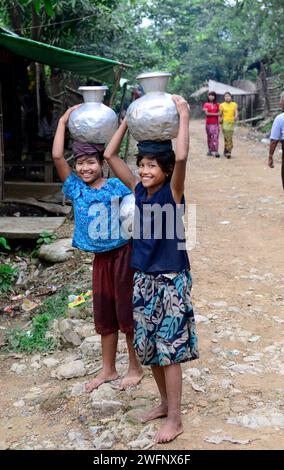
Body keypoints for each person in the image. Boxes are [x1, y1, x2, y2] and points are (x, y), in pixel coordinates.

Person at [103, 95, 199, 444]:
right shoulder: (138, 191)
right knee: (150, 349)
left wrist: (185, 116)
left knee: (170, 350)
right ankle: (162, 405)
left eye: (152, 166)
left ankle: (175, 418)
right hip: (142, 275)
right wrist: (127, 120)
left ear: (167, 170)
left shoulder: (172, 194)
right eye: (141, 164)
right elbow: (109, 156)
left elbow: (183, 156)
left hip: (170, 278)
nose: (144, 171)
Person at [52, 106, 144, 391]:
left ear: (101, 163)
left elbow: (135, 185)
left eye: (90, 162)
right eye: (80, 162)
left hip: (124, 255)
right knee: (104, 313)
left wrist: (127, 123)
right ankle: (108, 369)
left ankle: (135, 367)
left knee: (126, 312)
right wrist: (64, 121)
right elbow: (57, 156)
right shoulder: (76, 188)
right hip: (100, 259)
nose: (84, 168)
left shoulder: (116, 187)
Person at [268, 91, 284, 190]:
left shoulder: (280, 118)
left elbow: (274, 140)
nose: (279, 102)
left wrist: (270, 156)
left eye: (281, 100)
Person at [219, 92, 238, 158]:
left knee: (229, 137)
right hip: (225, 123)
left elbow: (236, 112)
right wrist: (220, 119)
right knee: (227, 137)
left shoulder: (234, 104)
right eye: (226, 96)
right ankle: (228, 151)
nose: (227, 97)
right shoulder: (222, 105)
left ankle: (226, 150)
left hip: (231, 122)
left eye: (228, 96)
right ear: (224, 98)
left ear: (231, 97)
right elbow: (220, 114)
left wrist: (236, 116)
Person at [202, 91, 220, 157]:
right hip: (208, 123)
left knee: (215, 137)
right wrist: (216, 114)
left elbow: (220, 113)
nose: (211, 96)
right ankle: (210, 150)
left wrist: (217, 115)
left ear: (215, 96)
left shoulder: (218, 104)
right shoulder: (206, 104)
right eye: (210, 95)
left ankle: (215, 151)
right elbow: (207, 114)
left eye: (212, 95)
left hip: (215, 123)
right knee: (209, 137)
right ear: (208, 96)